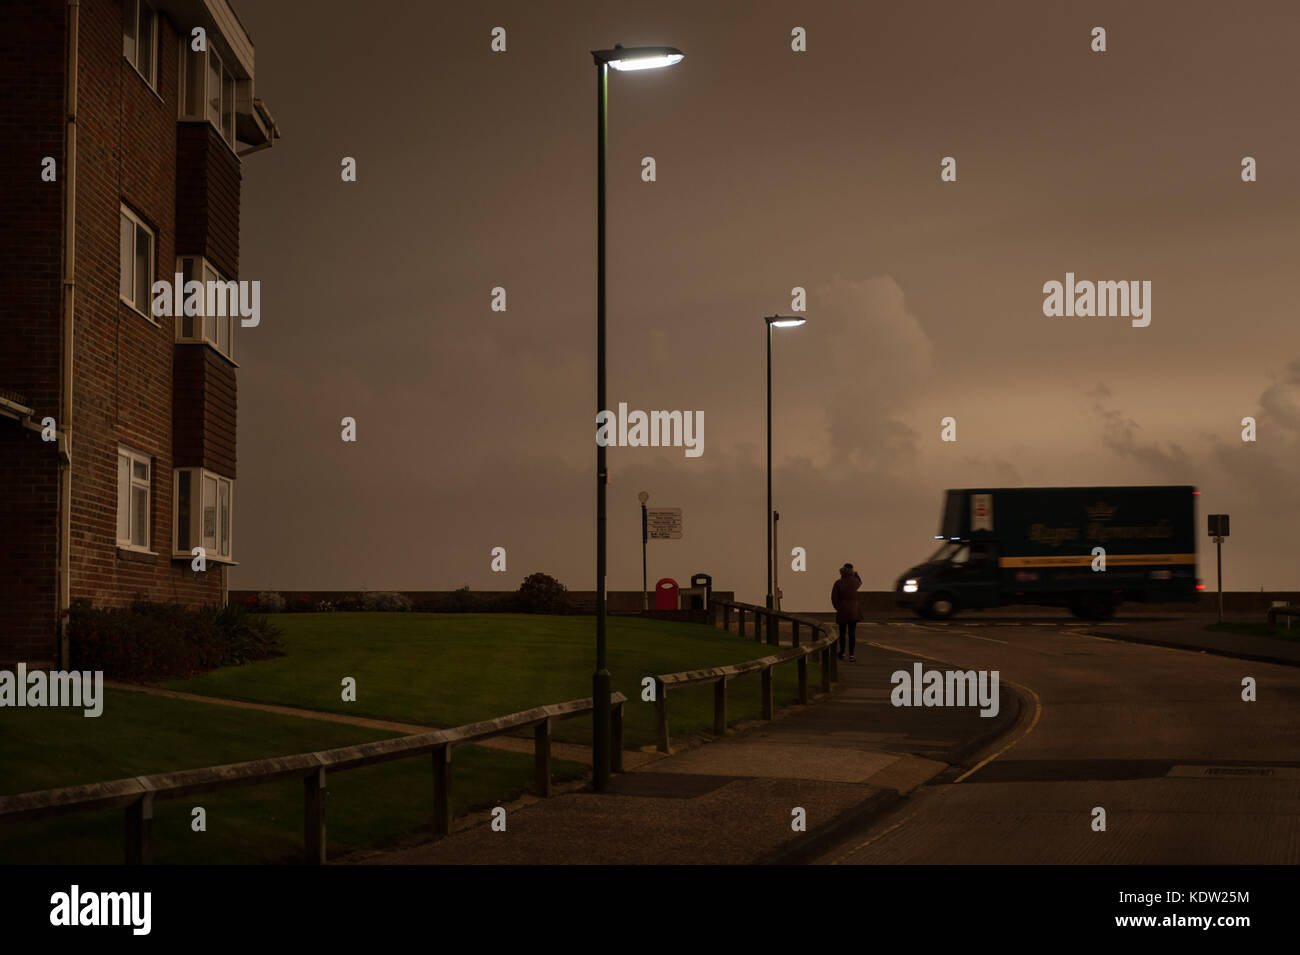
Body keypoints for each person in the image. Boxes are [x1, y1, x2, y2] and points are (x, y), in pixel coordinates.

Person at [831, 562, 862, 661]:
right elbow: (860, 582)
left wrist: (838, 607)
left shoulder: (838, 583)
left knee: (842, 633)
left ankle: (842, 652)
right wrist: (856, 574)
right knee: (852, 634)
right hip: (854, 611)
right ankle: (852, 655)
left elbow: (834, 598)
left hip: (842, 610)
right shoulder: (855, 582)